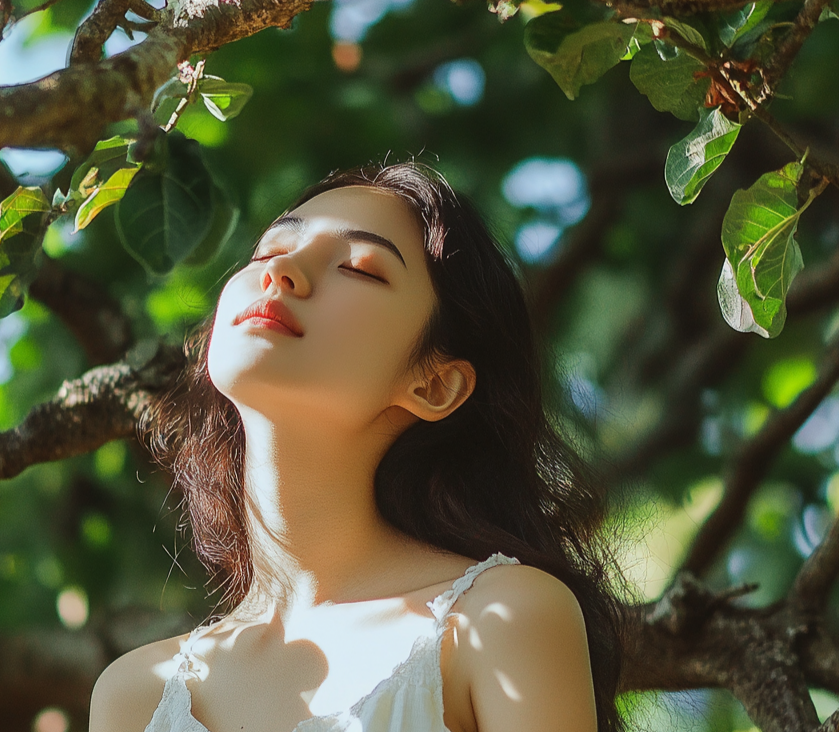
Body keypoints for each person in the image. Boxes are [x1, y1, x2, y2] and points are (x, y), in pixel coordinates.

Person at [89, 162, 625, 732]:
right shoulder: (135, 696)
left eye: (359, 268)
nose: (284, 271)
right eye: (268, 250)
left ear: (435, 384)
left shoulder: (500, 617)